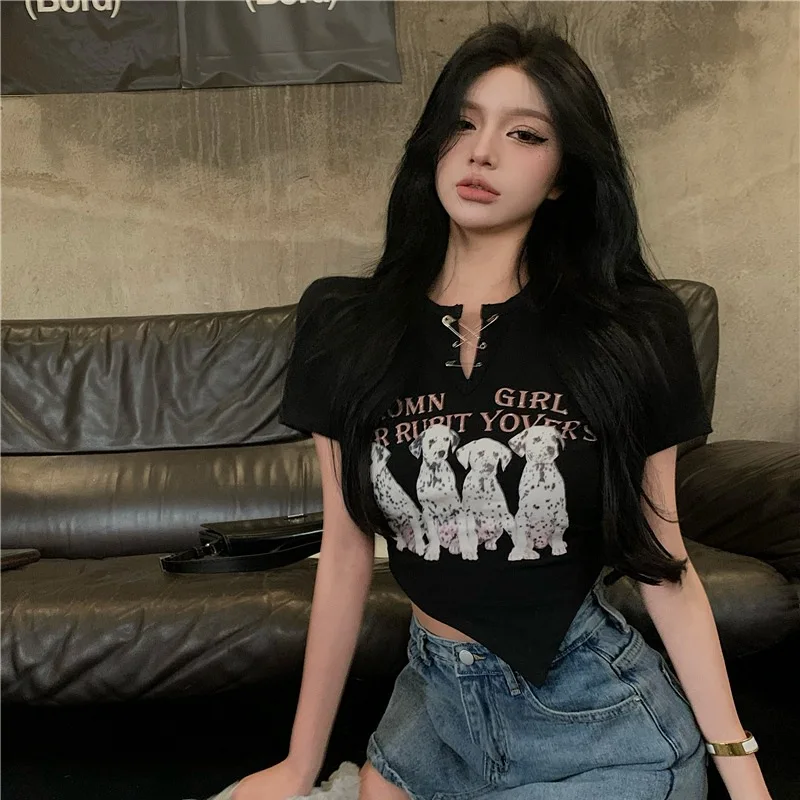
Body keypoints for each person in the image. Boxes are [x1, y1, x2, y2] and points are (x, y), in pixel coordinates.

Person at [228, 21, 771, 800]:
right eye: (463, 122)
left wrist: (743, 772)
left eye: (524, 134)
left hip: (593, 717)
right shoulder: (345, 322)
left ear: (561, 177)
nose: (481, 153)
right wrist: (299, 762)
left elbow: (665, 561)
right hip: (431, 711)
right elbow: (346, 554)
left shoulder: (632, 328)